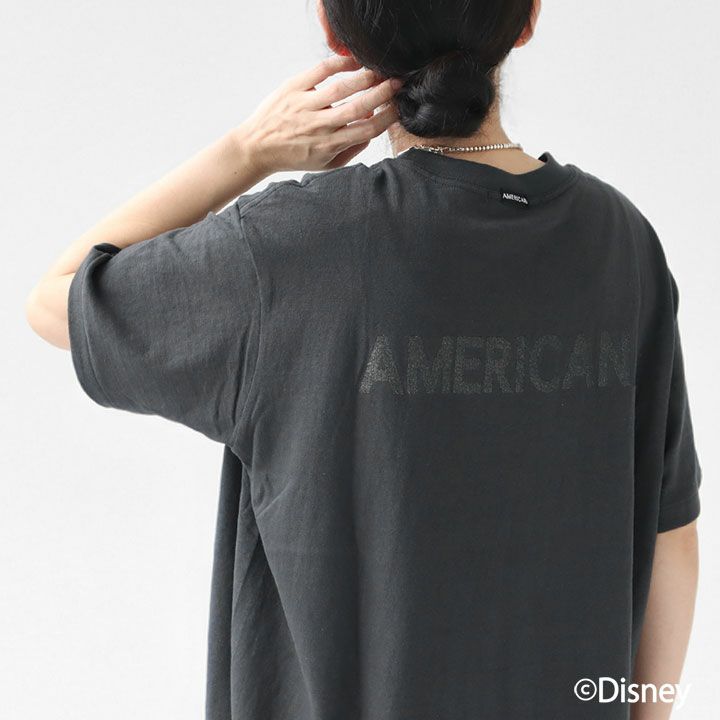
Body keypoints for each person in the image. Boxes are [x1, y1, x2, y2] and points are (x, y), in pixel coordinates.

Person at [26, 0, 701, 718]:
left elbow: (55, 300)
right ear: (528, 18)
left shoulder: (290, 248)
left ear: (334, 31)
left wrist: (245, 154)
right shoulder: (621, 243)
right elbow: (671, 534)